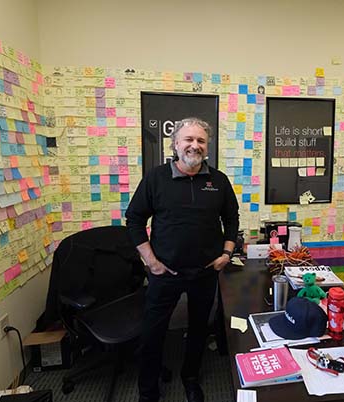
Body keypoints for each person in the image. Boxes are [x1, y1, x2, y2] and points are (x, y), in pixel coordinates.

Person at [126, 117, 239, 402]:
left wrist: (226, 253)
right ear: (175, 144)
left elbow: (232, 218)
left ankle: (191, 378)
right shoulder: (156, 178)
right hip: (165, 273)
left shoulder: (219, 181)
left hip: (204, 272)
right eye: (188, 140)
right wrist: (151, 261)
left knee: (199, 329)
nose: (194, 145)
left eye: (200, 141)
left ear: (207, 146)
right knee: (153, 333)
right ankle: (148, 390)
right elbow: (134, 219)